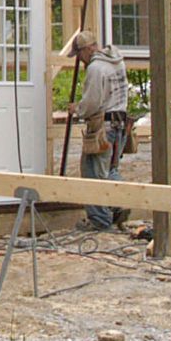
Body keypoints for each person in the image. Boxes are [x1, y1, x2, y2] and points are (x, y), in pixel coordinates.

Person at [65, 30, 132, 231]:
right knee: (109, 169)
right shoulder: (116, 61)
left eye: (79, 54)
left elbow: (92, 103)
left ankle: (99, 220)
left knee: (92, 173)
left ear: (87, 50)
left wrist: (77, 108)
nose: (80, 59)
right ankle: (120, 204)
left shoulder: (96, 68)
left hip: (104, 127)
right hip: (120, 124)